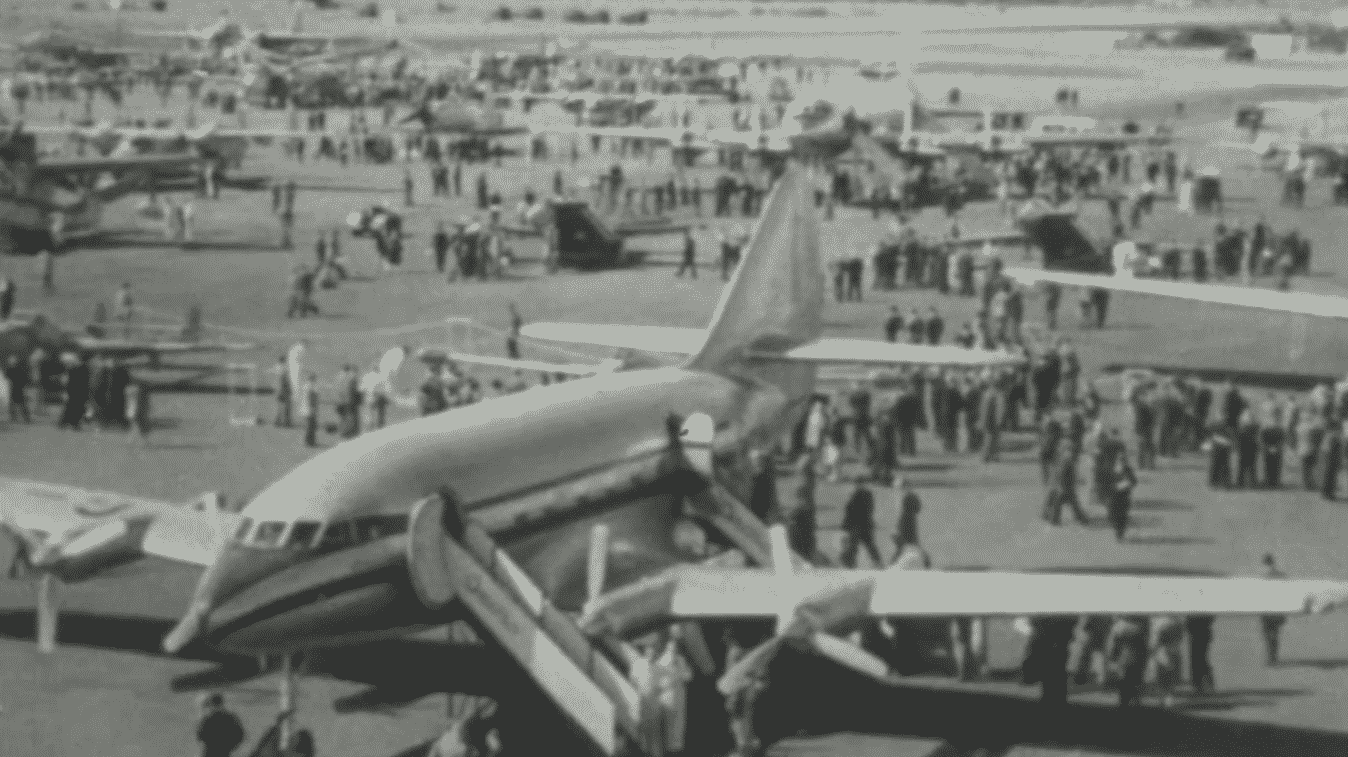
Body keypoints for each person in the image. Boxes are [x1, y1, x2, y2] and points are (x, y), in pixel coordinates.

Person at [840, 482, 882, 568]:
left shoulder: (856, 496)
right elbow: (868, 511)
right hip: (865, 526)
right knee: (869, 546)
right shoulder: (867, 496)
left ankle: (850, 565)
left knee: (854, 547)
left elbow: (849, 511)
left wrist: (846, 524)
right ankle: (878, 564)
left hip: (857, 526)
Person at [196, 692, 245, 757]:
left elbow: (200, 735)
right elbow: (240, 735)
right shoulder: (231, 718)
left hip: (209, 752)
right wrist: (230, 747)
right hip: (225, 752)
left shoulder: (208, 719)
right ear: (222, 703)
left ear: (212, 704)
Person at [1107, 437, 1138, 542]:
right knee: (1114, 515)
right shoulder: (1112, 468)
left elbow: (1134, 481)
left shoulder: (1127, 469)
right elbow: (1108, 480)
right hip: (1114, 497)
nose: (1120, 461)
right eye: (1118, 459)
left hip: (1124, 497)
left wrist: (1125, 484)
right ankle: (1118, 531)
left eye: (1122, 459)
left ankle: (1120, 534)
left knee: (1122, 517)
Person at [1260, 553, 1287, 666]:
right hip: (1278, 610)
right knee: (1274, 634)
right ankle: (1273, 657)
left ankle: (1271, 658)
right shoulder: (1281, 575)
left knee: (1268, 634)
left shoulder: (1263, 577)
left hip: (1267, 610)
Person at [1187, 614, 1216, 694]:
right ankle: (1200, 684)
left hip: (1200, 628)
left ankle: (1202, 684)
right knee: (1198, 658)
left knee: (1199, 658)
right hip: (1198, 628)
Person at [5, 355, 29, 422]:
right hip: (18, 388)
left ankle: (15, 418)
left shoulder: (10, 369)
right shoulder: (20, 369)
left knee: (16, 403)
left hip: (14, 388)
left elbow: (7, 378)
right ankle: (25, 418)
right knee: (21, 403)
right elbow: (25, 378)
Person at [299, 373, 319, 447]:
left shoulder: (305, 386)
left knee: (307, 425)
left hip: (305, 408)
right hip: (310, 409)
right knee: (310, 426)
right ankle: (310, 442)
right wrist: (314, 408)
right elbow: (312, 398)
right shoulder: (311, 386)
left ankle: (307, 441)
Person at [273, 356, 292, 427]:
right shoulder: (284, 368)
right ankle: (286, 422)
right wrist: (289, 389)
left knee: (279, 406)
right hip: (283, 389)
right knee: (286, 406)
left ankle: (277, 421)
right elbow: (284, 379)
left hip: (278, 389)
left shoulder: (277, 367)